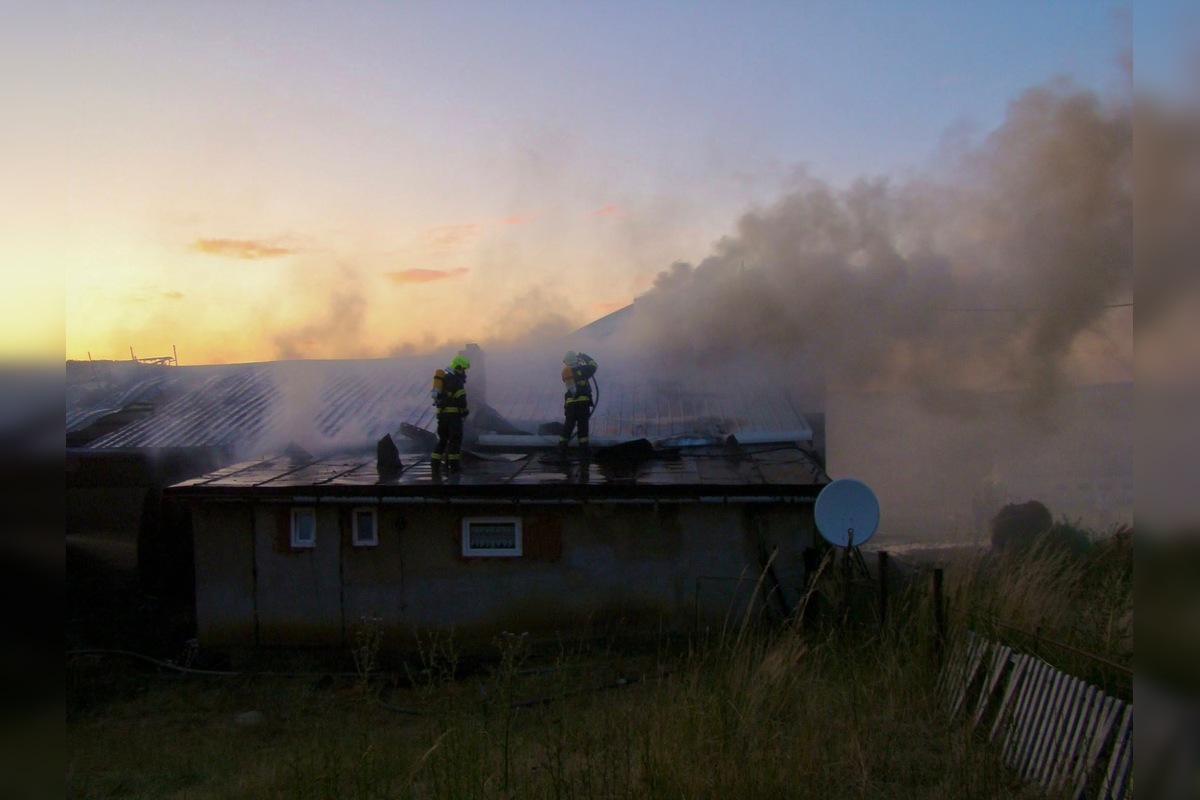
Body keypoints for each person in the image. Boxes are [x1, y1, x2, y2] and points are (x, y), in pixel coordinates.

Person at [430, 354, 470, 474]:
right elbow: (461, 400)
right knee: (455, 440)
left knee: (442, 440)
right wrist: (465, 411)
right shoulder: (457, 381)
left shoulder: (444, 380)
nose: (464, 373)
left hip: (441, 416)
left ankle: (434, 464)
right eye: (463, 369)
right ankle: (454, 466)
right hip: (454, 418)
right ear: (457, 368)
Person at [559, 350, 597, 456]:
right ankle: (584, 450)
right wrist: (584, 356)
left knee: (568, 426)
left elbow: (569, 382)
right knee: (583, 426)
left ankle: (562, 448)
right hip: (583, 404)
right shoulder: (584, 369)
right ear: (576, 360)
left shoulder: (565, 372)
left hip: (571, 404)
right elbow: (594, 365)